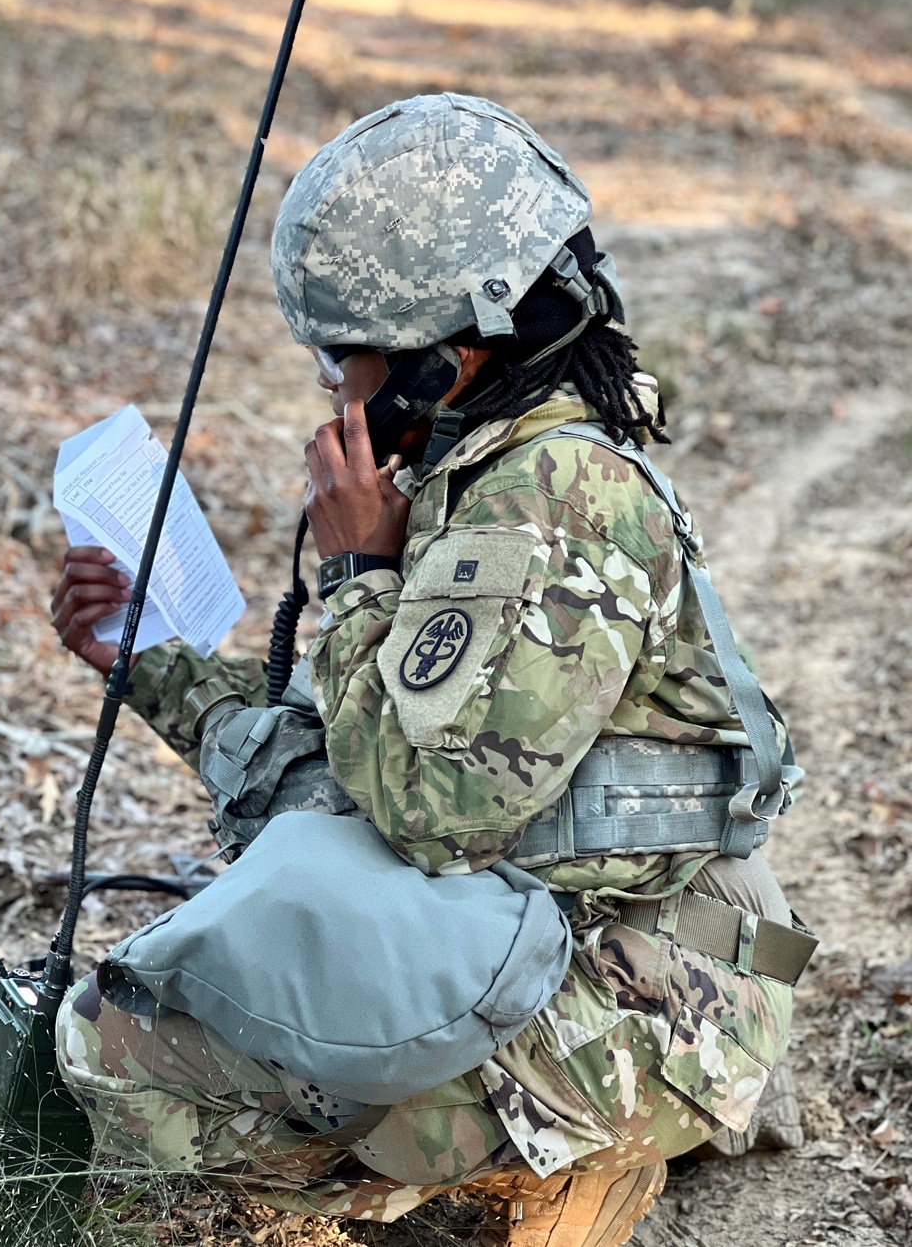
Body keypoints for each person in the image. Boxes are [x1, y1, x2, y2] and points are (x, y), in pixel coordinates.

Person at [51, 93, 813, 1247]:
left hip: (644, 990)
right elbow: (344, 761)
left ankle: (555, 1171)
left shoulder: (547, 503)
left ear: (442, 366)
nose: (330, 391)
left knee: (125, 1047)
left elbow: (425, 812)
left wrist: (358, 566)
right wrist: (145, 664)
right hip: (573, 927)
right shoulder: (484, 471)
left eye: (342, 360)